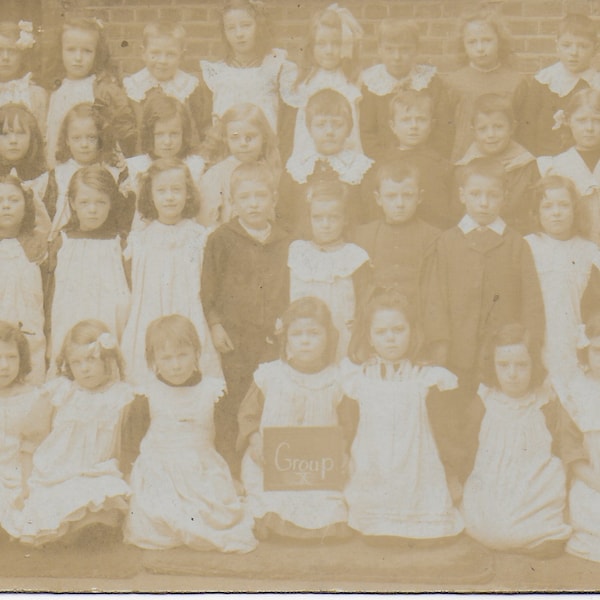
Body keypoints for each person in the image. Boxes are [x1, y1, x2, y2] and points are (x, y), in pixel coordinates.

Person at [423, 157, 545, 488]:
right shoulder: (447, 243)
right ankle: (456, 476)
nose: (484, 202)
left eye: (492, 195)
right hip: (457, 354)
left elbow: (532, 300)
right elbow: (435, 299)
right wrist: (441, 347)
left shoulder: (515, 244)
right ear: (462, 194)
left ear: (504, 197)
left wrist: (527, 346)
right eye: (476, 194)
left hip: (500, 359)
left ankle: (492, 482)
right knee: (453, 415)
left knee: (491, 417)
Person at [124, 315, 257, 553]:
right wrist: (128, 474)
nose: (176, 365)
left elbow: (227, 438)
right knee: (155, 515)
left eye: (182, 355)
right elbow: (132, 441)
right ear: (153, 360)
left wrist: (234, 476)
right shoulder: (147, 393)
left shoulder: (213, 391)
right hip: (159, 468)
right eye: (166, 358)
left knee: (218, 514)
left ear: (197, 353)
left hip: (201, 465)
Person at [341, 289, 463, 542]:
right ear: (370, 338)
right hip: (373, 469)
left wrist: (453, 474)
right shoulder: (359, 379)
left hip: (417, 469)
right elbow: (347, 427)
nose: (391, 339)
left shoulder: (427, 378)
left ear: (412, 332)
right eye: (381, 332)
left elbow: (446, 433)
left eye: (398, 330)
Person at [237, 297, 356, 540]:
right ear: (286, 338)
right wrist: (255, 441)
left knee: (327, 507)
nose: (305, 341)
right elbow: (248, 415)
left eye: (314, 333)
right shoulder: (270, 375)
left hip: (317, 467)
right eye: (297, 334)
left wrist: (343, 451)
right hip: (273, 465)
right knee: (273, 502)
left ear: (328, 338)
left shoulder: (337, 379)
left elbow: (347, 425)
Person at [201, 161, 290, 478]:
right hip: (235, 340)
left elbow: (291, 288)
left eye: (261, 196)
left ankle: (265, 468)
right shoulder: (221, 239)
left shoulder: (285, 242)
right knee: (233, 402)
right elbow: (208, 289)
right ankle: (231, 468)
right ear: (233, 202)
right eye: (245, 197)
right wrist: (214, 324)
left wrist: (286, 319)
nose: (253, 203)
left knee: (268, 398)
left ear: (273, 200)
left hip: (271, 340)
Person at [13, 320, 134, 547]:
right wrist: (26, 483)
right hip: (57, 473)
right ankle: (68, 532)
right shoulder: (61, 392)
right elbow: (30, 442)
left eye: (91, 359)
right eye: (76, 362)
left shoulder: (121, 396)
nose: (84, 368)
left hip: (98, 471)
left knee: (107, 501)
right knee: (52, 505)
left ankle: (82, 530)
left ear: (108, 359)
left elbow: (126, 448)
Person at [462, 323, 579, 556]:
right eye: (503, 365)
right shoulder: (486, 400)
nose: (512, 374)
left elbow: (560, 448)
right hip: (494, 479)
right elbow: (467, 445)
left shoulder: (545, 402)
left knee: (533, 522)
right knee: (493, 527)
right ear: (492, 365)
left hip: (533, 483)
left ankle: (535, 531)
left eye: (522, 365)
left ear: (535, 364)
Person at [120, 158, 220, 385]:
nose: (170, 197)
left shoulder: (199, 237)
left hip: (189, 311)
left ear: (188, 194)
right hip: (150, 314)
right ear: (150, 196)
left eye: (177, 190)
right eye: (161, 191)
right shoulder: (140, 240)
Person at [45, 166, 131, 372]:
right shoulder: (62, 242)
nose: (93, 210)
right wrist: (48, 335)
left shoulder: (119, 243)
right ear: (73, 204)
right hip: (69, 321)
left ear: (111, 203)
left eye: (100, 202)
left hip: (110, 321)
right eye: (84, 203)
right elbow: (50, 293)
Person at [525, 175, 600, 381]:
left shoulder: (589, 250)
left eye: (564, 205)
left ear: (575, 210)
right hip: (538, 338)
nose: (556, 212)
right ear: (537, 212)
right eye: (547, 206)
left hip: (575, 337)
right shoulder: (528, 246)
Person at [288, 177, 370, 360]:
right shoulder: (297, 252)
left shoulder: (354, 257)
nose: (325, 224)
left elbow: (364, 304)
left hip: (343, 338)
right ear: (309, 218)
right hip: (302, 338)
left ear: (345, 219)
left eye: (333, 217)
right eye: (318, 218)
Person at [45, 15, 136, 167]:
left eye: (87, 51)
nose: (78, 57)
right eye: (71, 50)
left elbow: (121, 130)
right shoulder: (56, 90)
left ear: (97, 53)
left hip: (94, 165)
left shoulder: (102, 89)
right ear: (60, 51)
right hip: (61, 164)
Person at [278, 88, 372, 231]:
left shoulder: (359, 168)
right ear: (309, 129)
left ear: (349, 129)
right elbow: (284, 216)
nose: (329, 132)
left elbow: (367, 218)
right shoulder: (297, 168)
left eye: (337, 124)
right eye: (321, 125)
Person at [280, 4, 363, 163]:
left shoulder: (353, 80)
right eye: (321, 44)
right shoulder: (303, 81)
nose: (329, 51)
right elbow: (289, 130)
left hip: (347, 155)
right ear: (311, 46)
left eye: (336, 43)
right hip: (308, 156)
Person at [444, 3, 528, 161]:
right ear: (463, 44)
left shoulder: (516, 81)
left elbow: (523, 129)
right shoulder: (453, 82)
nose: (480, 48)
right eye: (472, 42)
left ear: (500, 41)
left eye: (487, 40)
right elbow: (446, 129)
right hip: (465, 161)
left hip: (506, 161)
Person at [360, 18, 451, 161]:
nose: (397, 57)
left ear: (416, 49)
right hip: (384, 163)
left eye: (404, 49)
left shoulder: (430, 82)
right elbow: (367, 133)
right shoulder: (371, 84)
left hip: (426, 160)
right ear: (379, 49)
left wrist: (431, 159)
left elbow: (444, 128)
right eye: (390, 49)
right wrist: (386, 160)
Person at [31, 102, 125, 240]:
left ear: (101, 138)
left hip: (105, 240)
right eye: (76, 138)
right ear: (67, 140)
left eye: (91, 137)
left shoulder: (114, 172)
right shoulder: (58, 176)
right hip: (65, 242)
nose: (84, 145)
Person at [353, 161, 440, 308]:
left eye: (407, 195)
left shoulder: (433, 237)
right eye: (391, 196)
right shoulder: (363, 235)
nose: (400, 203)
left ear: (419, 197)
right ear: (378, 198)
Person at [199, 0, 293, 134]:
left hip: (266, 148)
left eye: (246, 25)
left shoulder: (275, 67)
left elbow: (287, 123)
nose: (239, 34)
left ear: (259, 26)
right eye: (231, 28)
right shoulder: (217, 74)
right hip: (226, 149)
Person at [365, 89, 452, 228]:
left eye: (421, 120)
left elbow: (446, 214)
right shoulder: (380, 165)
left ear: (432, 125)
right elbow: (373, 211)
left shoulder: (441, 166)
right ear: (393, 126)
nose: (414, 126)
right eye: (406, 120)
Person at [454, 93, 539, 234]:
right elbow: (458, 214)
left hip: (518, 234)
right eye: (483, 129)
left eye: (498, 127)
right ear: (473, 130)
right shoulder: (463, 169)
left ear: (512, 128)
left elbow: (533, 209)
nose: (491, 135)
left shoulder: (527, 165)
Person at [120, 95, 206, 230]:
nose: (167, 142)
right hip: (146, 234)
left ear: (184, 133)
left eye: (174, 134)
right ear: (149, 134)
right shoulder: (136, 166)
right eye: (159, 134)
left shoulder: (195, 165)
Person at [521, 13, 600, 157]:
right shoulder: (544, 81)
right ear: (557, 45)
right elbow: (528, 125)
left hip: (584, 161)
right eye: (567, 45)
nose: (574, 52)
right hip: (543, 159)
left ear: (595, 49)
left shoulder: (596, 85)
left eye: (582, 46)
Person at [555, 313, 600, 562]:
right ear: (586, 350)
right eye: (598, 351)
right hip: (592, 477)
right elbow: (571, 452)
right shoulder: (576, 392)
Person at [123, 20, 210, 148]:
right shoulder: (132, 87)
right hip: (144, 155)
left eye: (170, 54)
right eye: (155, 54)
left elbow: (203, 126)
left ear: (182, 56)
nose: (162, 61)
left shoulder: (190, 86)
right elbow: (126, 130)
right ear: (143, 53)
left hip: (182, 156)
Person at [0, 321, 51, 536]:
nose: (4, 365)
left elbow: (31, 449)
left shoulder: (32, 398)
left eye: (12, 357)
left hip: (18, 473)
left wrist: (26, 485)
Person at [198, 103, 280, 228]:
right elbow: (207, 220)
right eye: (235, 137)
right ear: (226, 139)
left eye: (250, 137)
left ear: (263, 137)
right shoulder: (217, 175)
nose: (243, 144)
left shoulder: (268, 168)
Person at [537, 88, 600, 245]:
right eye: (581, 120)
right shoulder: (556, 165)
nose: (589, 128)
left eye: (597, 120)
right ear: (568, 121)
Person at [0, 174, 47, 383]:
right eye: (0, 201)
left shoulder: (37, 246)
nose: (6, 206)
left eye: (14, 200)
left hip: (31, 333)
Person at [0, 21, 47, 133]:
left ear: (23, 56)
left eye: (12, 51)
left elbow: (41, 136)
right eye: (0, 50)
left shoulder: (36, 94)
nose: (5, 57)